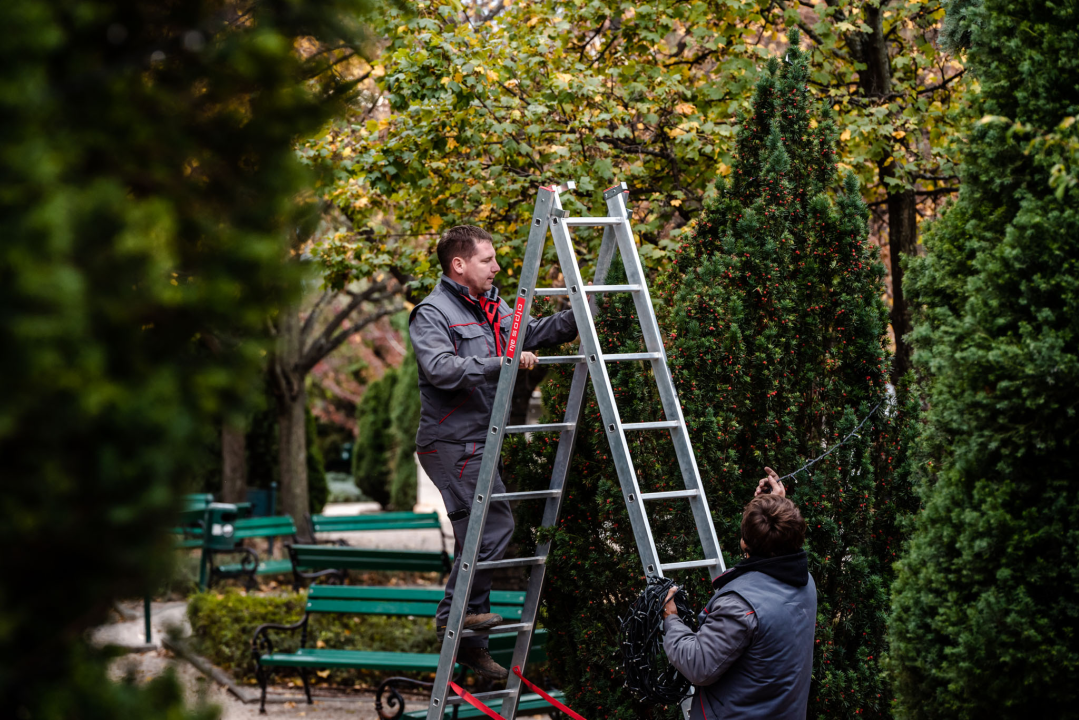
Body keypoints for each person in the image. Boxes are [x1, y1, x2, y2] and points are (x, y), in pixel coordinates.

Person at [409, 225, 579, 679]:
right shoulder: (431, 312)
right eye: (487, 260)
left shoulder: (493, 306)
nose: (497, 267)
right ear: (458, 265)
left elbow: (530, 332)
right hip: (450, 443)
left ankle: (469, 643)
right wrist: (502, 361)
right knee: (494, 526)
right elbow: (442, 369)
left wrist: (581, 314)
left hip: (482, 439)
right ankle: (453, 621)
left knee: (479, 535)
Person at [661, 467, 817, 720]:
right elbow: (773, 547)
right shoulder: (805, 583)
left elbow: (699, 665)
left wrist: (671, 618)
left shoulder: (739, 604)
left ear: (745, 543)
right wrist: (775, 505)